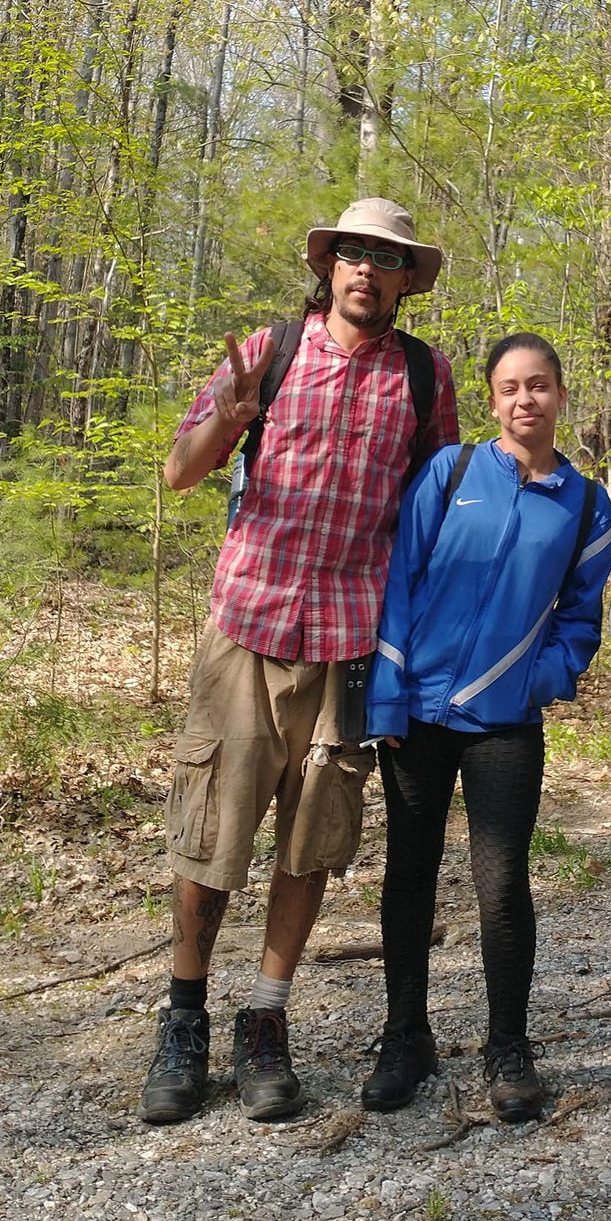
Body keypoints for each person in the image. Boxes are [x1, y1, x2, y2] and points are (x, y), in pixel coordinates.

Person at [139, 197, 458, 1125]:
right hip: (247, 625)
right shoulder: (268, 350)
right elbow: (180, 472)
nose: (365, 269)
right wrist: (227, 422)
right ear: (329, 267)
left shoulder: (425, 378)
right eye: (351, 253)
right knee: (212, 828)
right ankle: (185, 1017)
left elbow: (434, 512)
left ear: (406, 280)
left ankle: (266, 1019)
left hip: (353, 643)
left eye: (384, 258)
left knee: (312, 836)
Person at [359, 332, 611, 1123]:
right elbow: (400, 578)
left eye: (539, 385)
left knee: (502, 886)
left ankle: (510, 1047)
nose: (524, 400)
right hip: (418, 716)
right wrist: (387, 698)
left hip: (505, 724)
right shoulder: (453, 471)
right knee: (409, 874)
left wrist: (538, 680)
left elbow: (580, 618)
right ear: (493, 399)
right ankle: (406, 1035)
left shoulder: (586, 504)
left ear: (561, 395)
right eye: (509, 388)